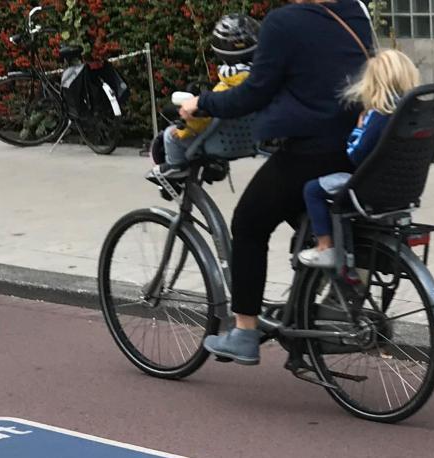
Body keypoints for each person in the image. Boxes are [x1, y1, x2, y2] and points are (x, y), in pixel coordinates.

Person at [178, 0, 374, 365]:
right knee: (291, 210)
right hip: (357, 147)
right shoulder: (356, 10)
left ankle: (244, 332)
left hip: (310, 151)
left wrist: (202, 103)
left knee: (249, 222)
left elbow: (255, 92)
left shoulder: (283, 22)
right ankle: (314, 303)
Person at [299, 49, 420, 268]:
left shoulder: (378, 114)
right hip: (404, 186)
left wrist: (358, 128)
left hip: (369, 185)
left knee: (312, 190)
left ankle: (325, 247)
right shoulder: (412, 113)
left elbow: (357, 153)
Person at [150, 14, 260, 179]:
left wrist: (182, 130)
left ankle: (175, 169)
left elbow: (203, 119)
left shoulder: (225, 88)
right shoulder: (260, 80)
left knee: (169, 136)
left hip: (220, 144)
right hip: (250, 141)